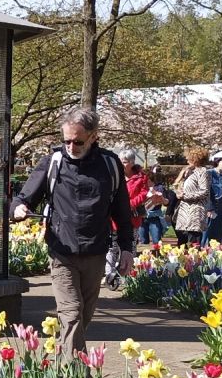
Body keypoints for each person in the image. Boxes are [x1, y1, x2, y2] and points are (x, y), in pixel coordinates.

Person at [11, 108, 133, 359]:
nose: (71, 146)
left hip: (96, 251)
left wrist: (127, 248)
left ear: (93, 137)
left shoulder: (109, 165)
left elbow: (122, 211)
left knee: (83, 317)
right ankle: (76, 374)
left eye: (78, 141)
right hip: (62, 251)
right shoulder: (53, 162)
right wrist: (19, 208)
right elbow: (23, 198)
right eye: (66, 140)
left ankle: (62, 361)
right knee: (72, 313)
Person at [111, 149, 149, 286]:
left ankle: (127, 275)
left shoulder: (141, 176)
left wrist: (129, 204)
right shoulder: (115, 174)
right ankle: (111, 274)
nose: (122, 164)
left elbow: (144, 193)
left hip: (132, 216)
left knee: (130, 247)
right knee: (113, 246)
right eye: (120, 161)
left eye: (125, 162)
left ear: (132, 162)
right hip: (115, 216)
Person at [172, 148, 211, 245]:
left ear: (195, 159)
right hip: (184, 213)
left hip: (195, 212)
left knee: (193, 243)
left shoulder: (203, 172)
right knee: (182, 243)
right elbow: (178, 185)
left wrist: (185, 196)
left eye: (188, 158)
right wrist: (178, 191)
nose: (186, 160)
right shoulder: (188, 171)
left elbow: (204, 191)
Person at [205, 152, 222, 244]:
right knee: (207, 235)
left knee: (218, 236)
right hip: (210, 208)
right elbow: (207, 192)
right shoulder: (209, 174)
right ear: (217, 161)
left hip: (220, 209)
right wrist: (209, 208)